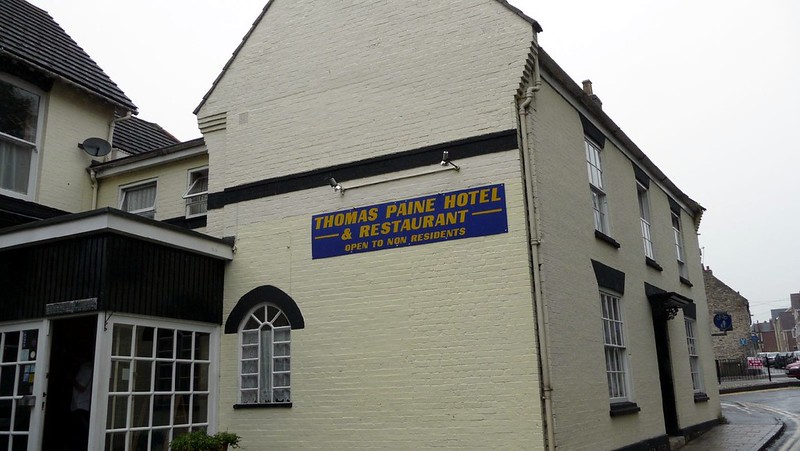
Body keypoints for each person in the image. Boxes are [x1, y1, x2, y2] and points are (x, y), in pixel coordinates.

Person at [69, 356, 92, 450]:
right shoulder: (88, 367)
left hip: (81, 406)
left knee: (79, 436)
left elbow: (81, 386)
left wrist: (71, 379)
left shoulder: (86, 368)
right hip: (82, 405)